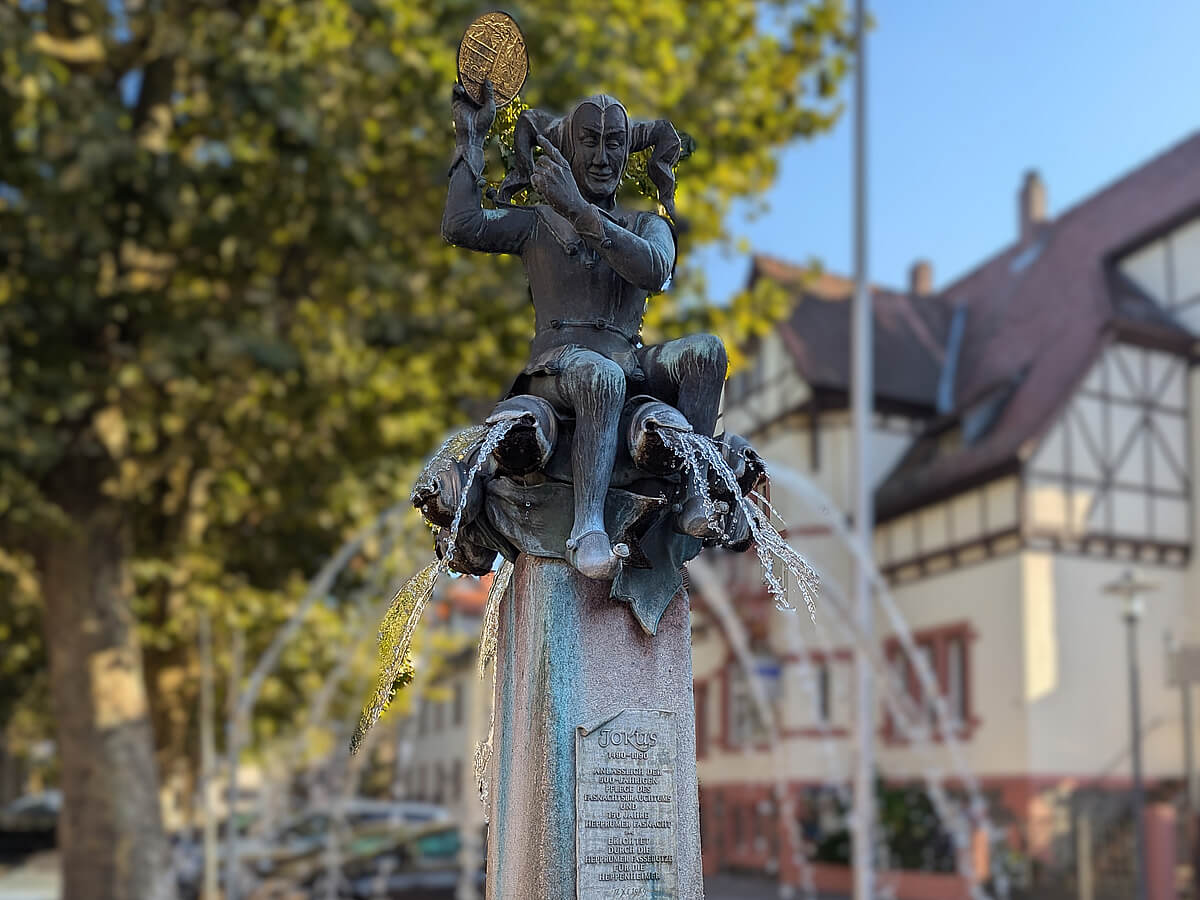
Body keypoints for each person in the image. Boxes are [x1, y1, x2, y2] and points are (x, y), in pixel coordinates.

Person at [442, 80, 727, 580]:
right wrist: (470, 137)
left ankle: (691, 495)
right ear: (570, 148)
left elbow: (655, 271)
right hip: (558, 368)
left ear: (628, 149)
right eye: (589, 141)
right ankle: (586, 530)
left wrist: (581, 212)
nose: (601, 156)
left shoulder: (646, 225)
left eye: (613, 142)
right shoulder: (537, 224)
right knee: (599, 376)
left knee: (707, 350)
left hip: (630, 363)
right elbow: (460, 225)